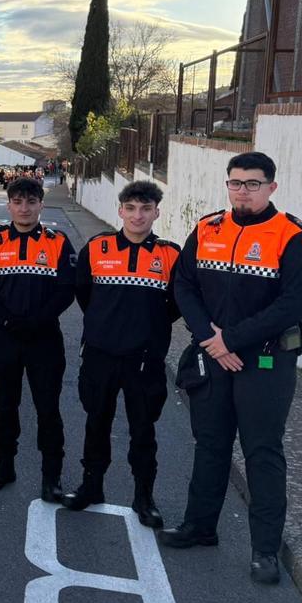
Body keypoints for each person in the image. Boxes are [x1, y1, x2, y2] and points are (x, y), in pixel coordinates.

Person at [160, 152, 302, 586]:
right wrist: (211, 338)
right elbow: (185, 284)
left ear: (272, 187)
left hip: (265, 361)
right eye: (235, 183)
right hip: (213, 355)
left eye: (252, 183)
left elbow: (292, 305)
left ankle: (265, 551)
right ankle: (200, 526)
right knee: (210, 444)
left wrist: (232, 340)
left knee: (262, 453)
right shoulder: (208, 227)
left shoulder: (294, 237)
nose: (242, 191)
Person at [63, 180, 180, 527]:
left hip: (145, 361)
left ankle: (144, 498)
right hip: (100, 355)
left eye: (146, 209)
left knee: (143, 431)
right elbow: (84, 294)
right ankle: (91, 487)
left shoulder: (170, 255)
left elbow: (175, 305)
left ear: (156, 212)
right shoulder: (96, 248)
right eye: (131, 208)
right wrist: (105, 326)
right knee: (95, 424)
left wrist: (146, 331)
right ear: (120, 211)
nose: (138, 215)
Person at [0, 176, 75, 502]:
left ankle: (52, 477)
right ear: (9, 206)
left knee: (48, 410)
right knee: (5, 406)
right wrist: (3, 318)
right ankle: (4, 465)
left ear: (40, 206)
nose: (24, 208)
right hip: (4, 338)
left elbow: (66, 289)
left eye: (31, 202)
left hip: (43, 340)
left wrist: (37, 320)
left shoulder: (57, 241)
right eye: (18, 202)